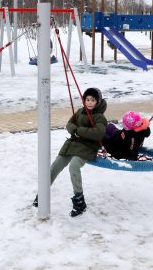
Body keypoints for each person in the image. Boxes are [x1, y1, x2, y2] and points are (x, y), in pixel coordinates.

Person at [34, 87, 108, 217]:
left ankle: (79, 201)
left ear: (98, 101)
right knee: (55, 166)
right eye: (87, 99)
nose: (90, 102)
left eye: (93, 100)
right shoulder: (80, 112)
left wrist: (79, 131)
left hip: (87, 147)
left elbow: (99, 133)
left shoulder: (99, 117)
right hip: (73, 144)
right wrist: (74, 130)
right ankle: (43, 194)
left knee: (74, 166)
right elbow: (69, 124)